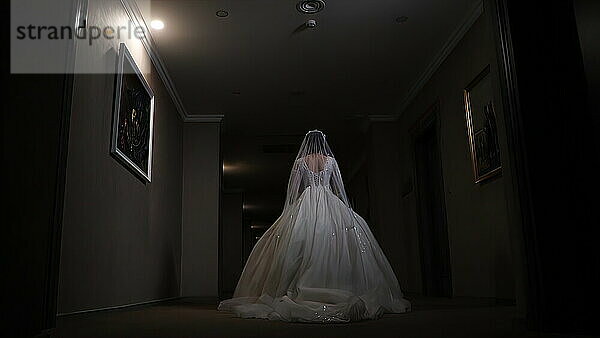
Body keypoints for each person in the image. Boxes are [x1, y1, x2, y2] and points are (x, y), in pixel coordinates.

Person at [218, 130, 410, 322]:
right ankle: (337, 284)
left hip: (307, 200)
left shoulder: (301, 162)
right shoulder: (331, 162)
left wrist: (295, 208)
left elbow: (294, 190)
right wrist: (341, 206)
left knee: (302, 241)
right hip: (329, 199)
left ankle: (299, 285)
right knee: (334, 241)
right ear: (323, 142)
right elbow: (338, 188)